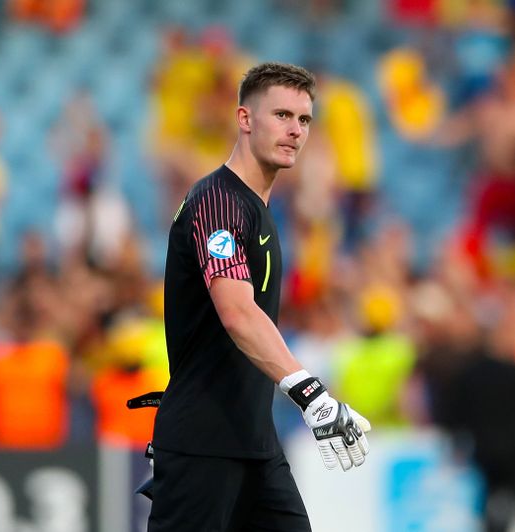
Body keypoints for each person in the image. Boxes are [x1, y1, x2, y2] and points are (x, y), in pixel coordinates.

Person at [148, 62, 371, 532]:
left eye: (304, 120)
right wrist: (311, 394)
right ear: (245, 119)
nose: (294, 131)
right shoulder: (218, 201)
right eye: (282, 115)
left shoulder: (258, 209)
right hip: (203, 443)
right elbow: (237, 312)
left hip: (254, 441)